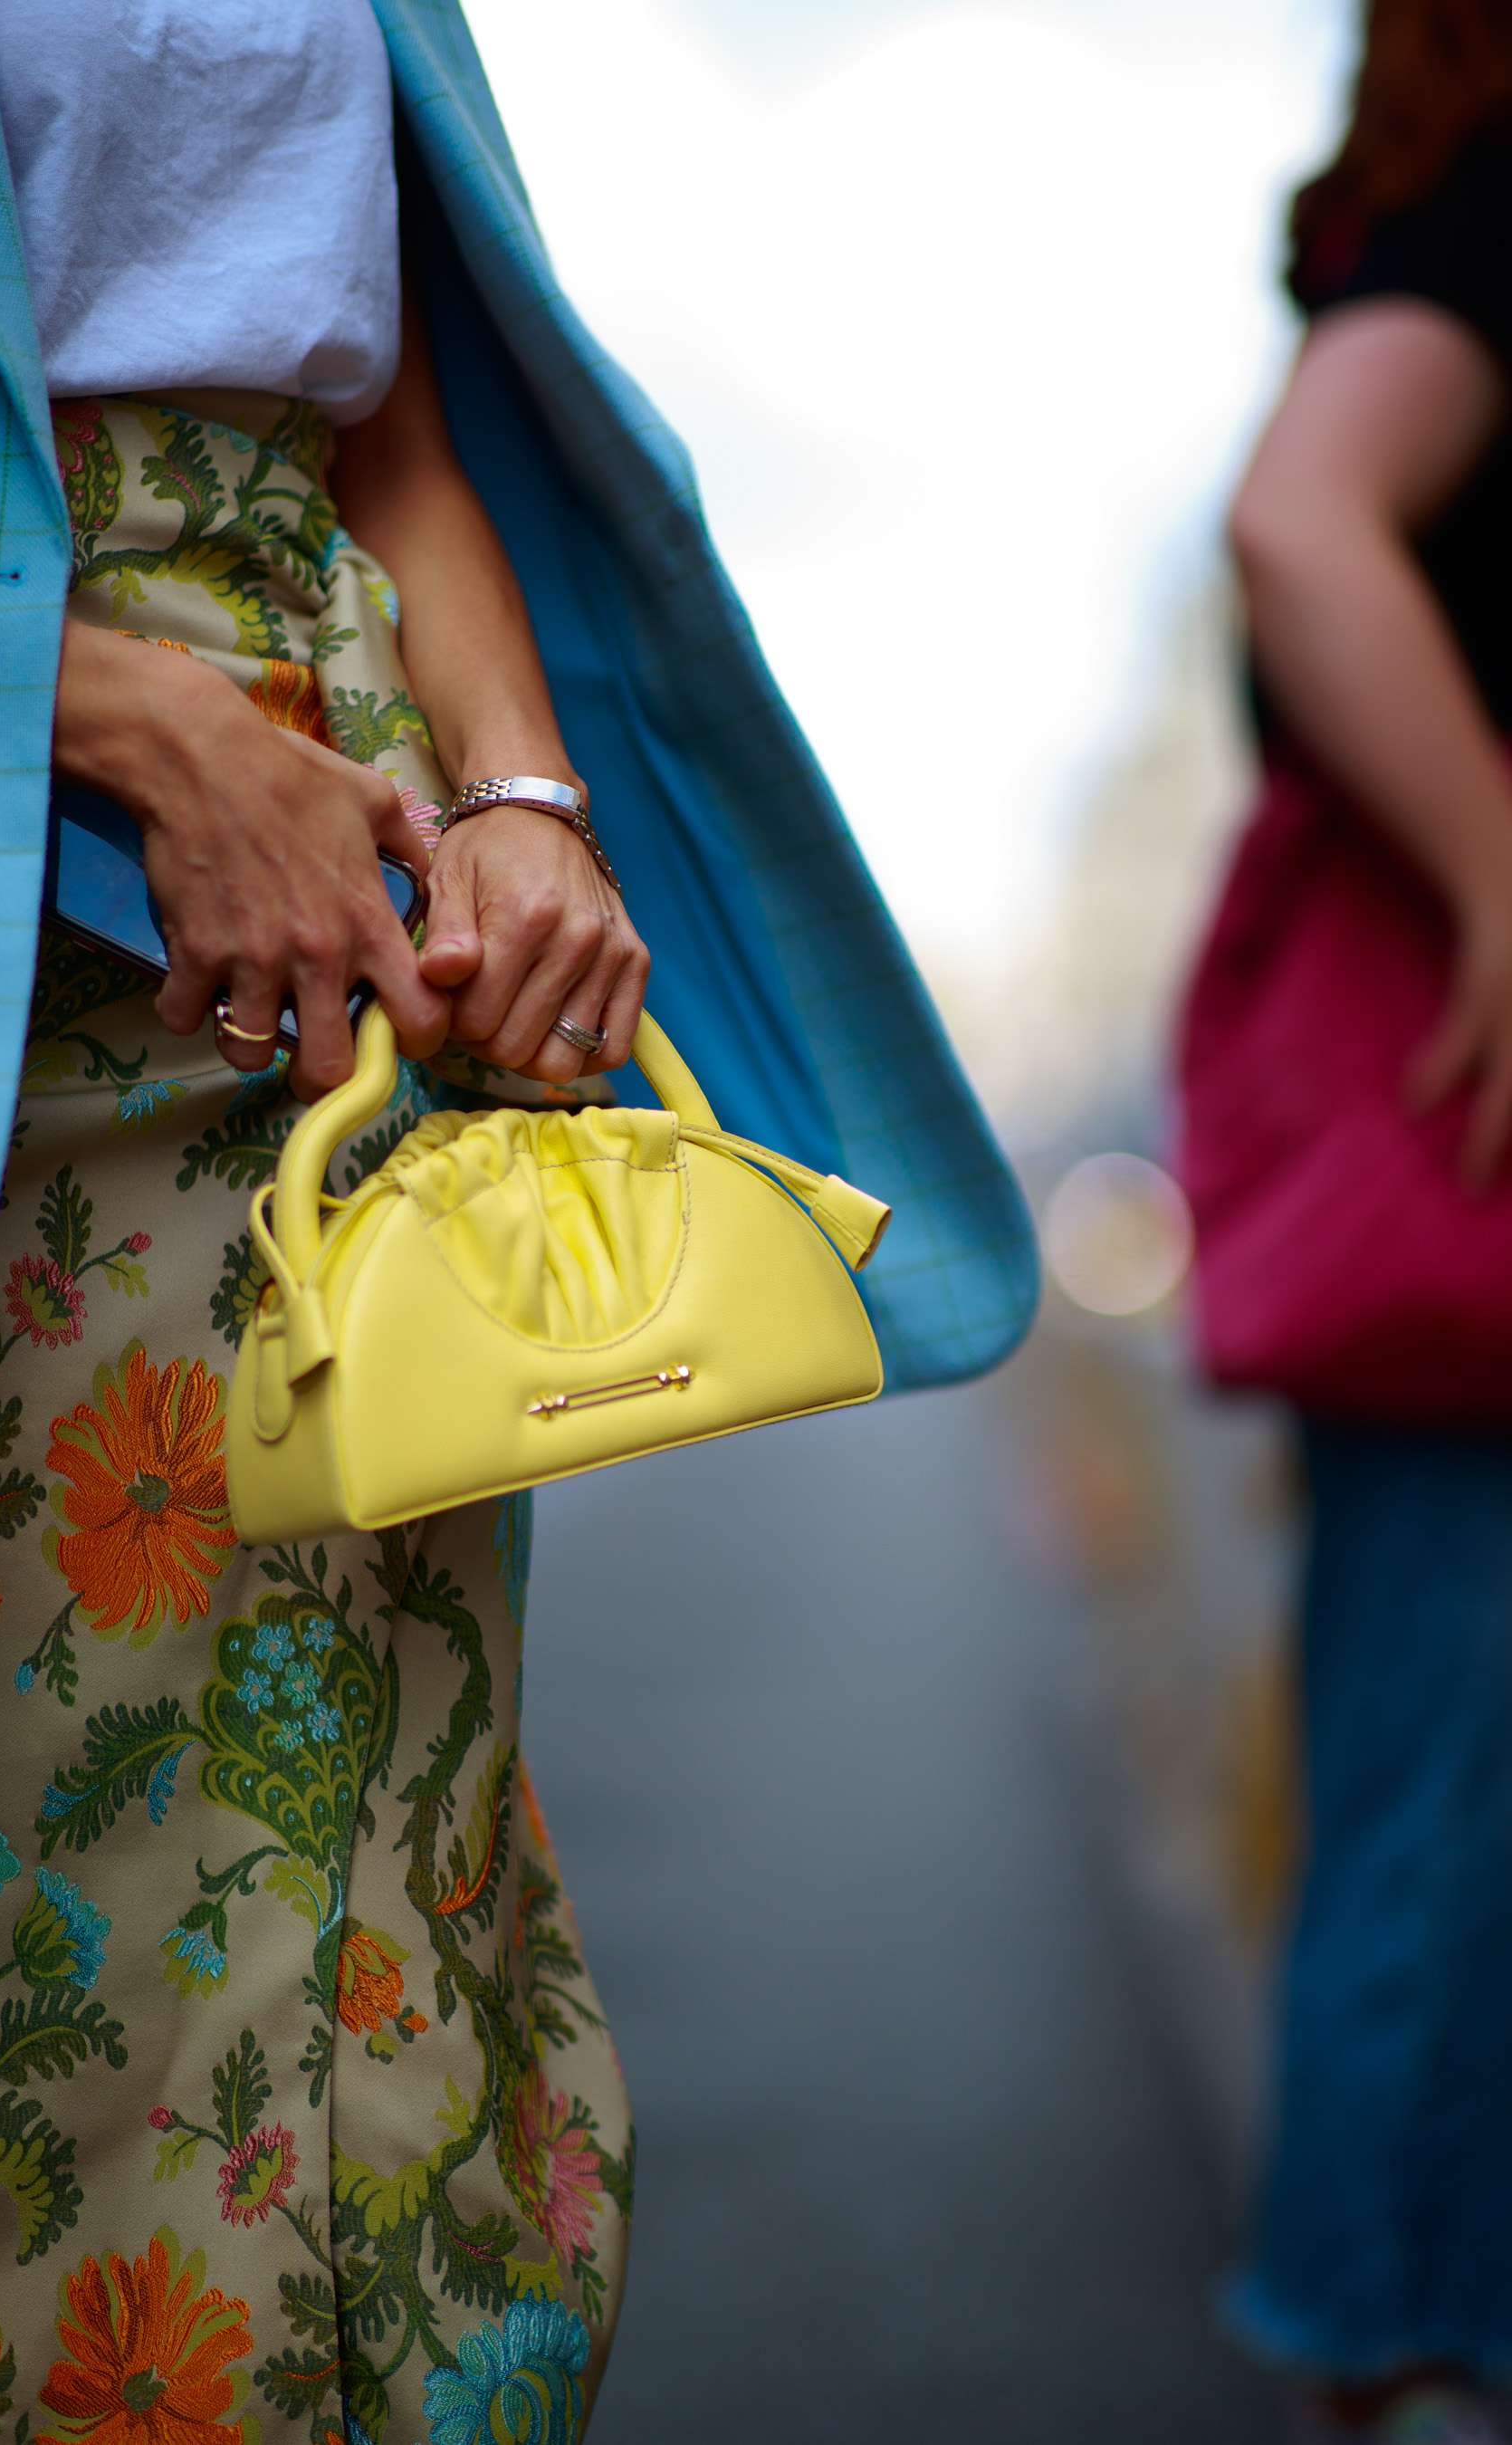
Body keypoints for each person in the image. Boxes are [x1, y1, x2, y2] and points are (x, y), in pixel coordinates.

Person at [0, 4, 1036, 2438]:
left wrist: (520, 795)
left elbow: (386, 427)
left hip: (344, 945)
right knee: (3, 1875)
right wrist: (114, 713)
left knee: (363, 1811)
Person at [1184, 4, 1512, 2438]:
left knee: (1426, 1750)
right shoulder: (1497, 234)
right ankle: (1391, 2340)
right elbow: (1300, 516)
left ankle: (1384, 2333)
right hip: (1469, 1130)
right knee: (1450, 1775)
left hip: (1415, 1155)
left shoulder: (1412, 220)